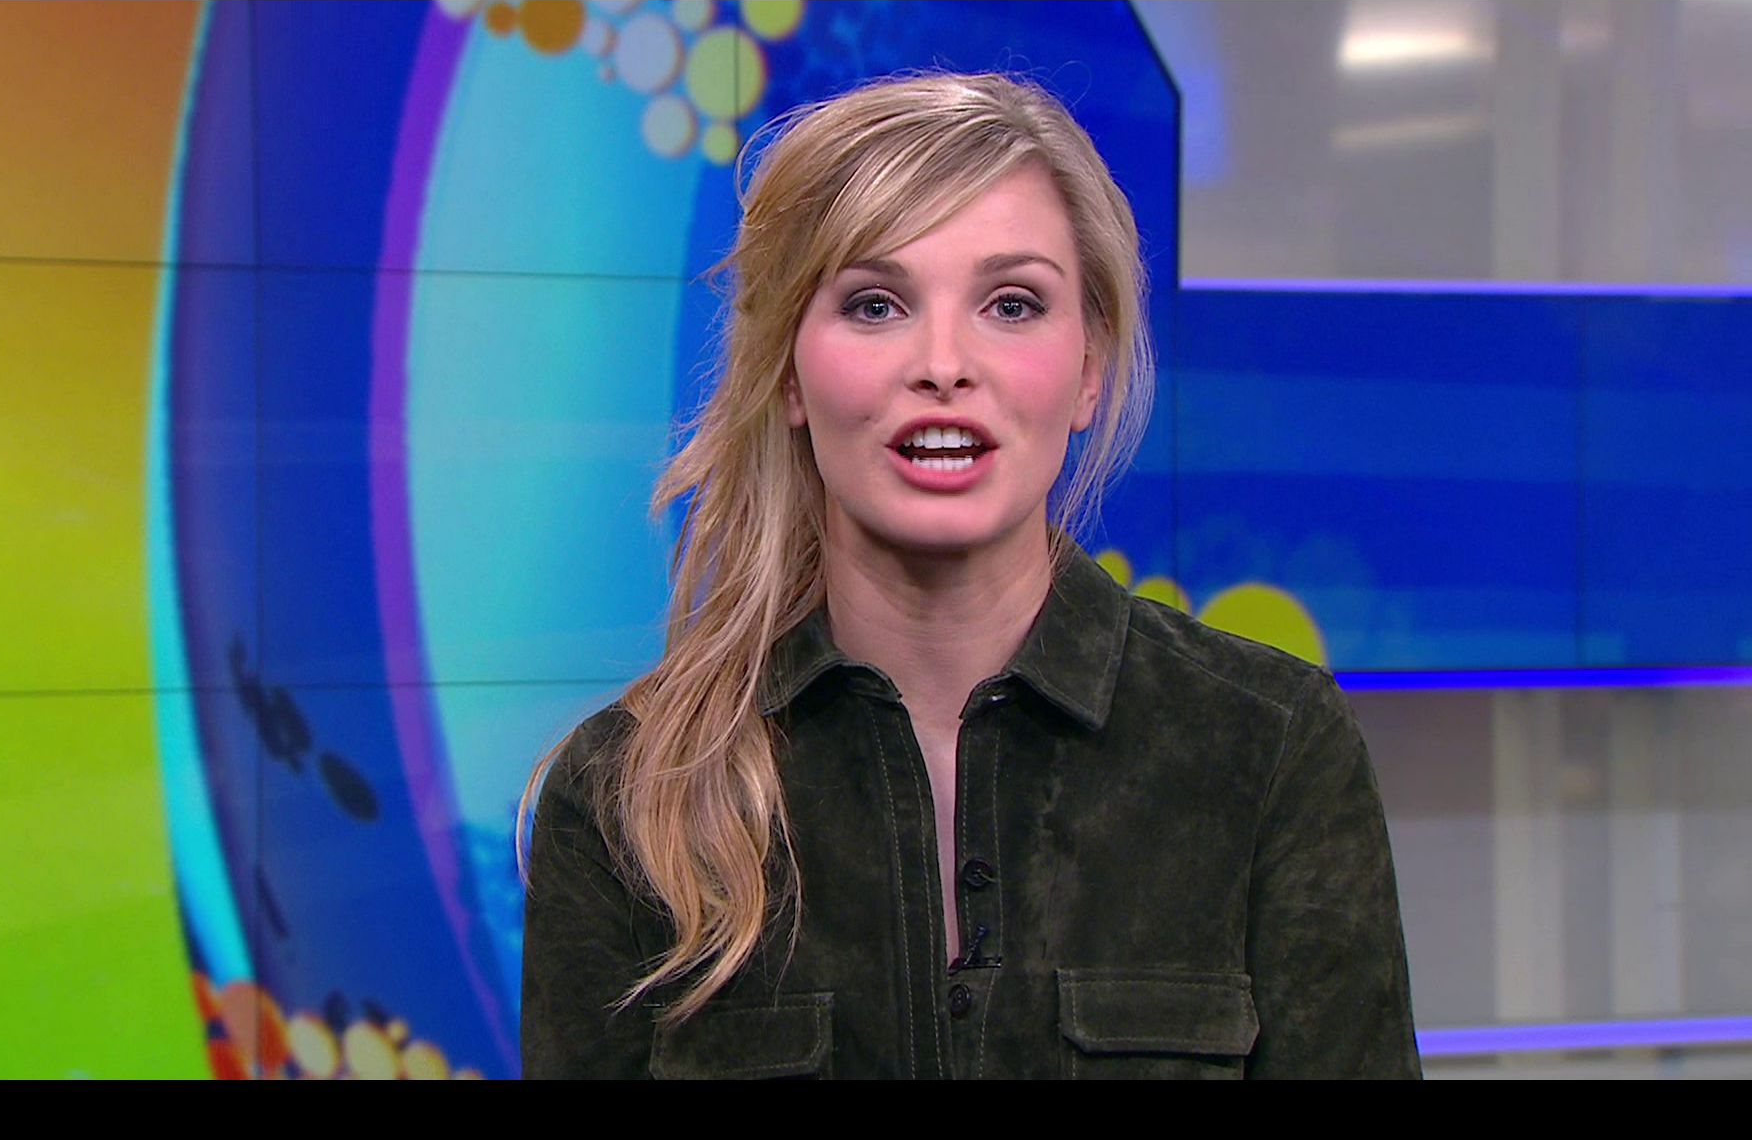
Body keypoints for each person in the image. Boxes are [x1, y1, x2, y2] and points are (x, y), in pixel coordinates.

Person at [517, 70, 1421, 1079]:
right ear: (787, 372)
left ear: (1090, 369)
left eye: (1011, 303)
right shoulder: (628, 797)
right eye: (874, 304)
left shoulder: (1271, 746)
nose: (943, 363)